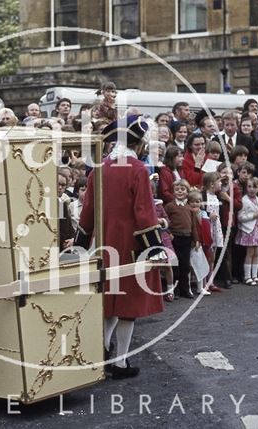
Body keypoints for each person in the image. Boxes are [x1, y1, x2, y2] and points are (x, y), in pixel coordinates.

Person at [76, 115, 165, 379]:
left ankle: (102, 350)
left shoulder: (98, 169)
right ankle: (120, 362)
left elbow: (87, 212)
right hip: (131, 244)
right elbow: (144, 212)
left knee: (109, 301)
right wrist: (155, 246)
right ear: (138, 144)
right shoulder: (138, 169)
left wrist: (81, 244)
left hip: (103, 244)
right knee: (129, 305)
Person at [165, 179, 200, 299]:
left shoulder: (190, 208)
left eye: (183, 189)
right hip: (175, 238)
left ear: (187, 191)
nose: (180, 191)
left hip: (187, 238)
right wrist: (168, 233)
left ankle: (185, 289)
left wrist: (196, 240)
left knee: (185, 266)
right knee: (175, 265)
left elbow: (193, 225)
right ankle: (174, 290)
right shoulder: (169, 206)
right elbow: (166, 223)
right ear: (173, 191)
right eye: (177, 189)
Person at [235, 177, 258, 285]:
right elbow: (240, 217)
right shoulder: (244, 200)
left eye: (255, 187)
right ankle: (247, 276)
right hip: (248, 229)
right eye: (249, 186)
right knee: (250, 253)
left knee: (256, 253)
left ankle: (255, 276)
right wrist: (253, 216)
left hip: (256, 229)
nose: (252, 189)